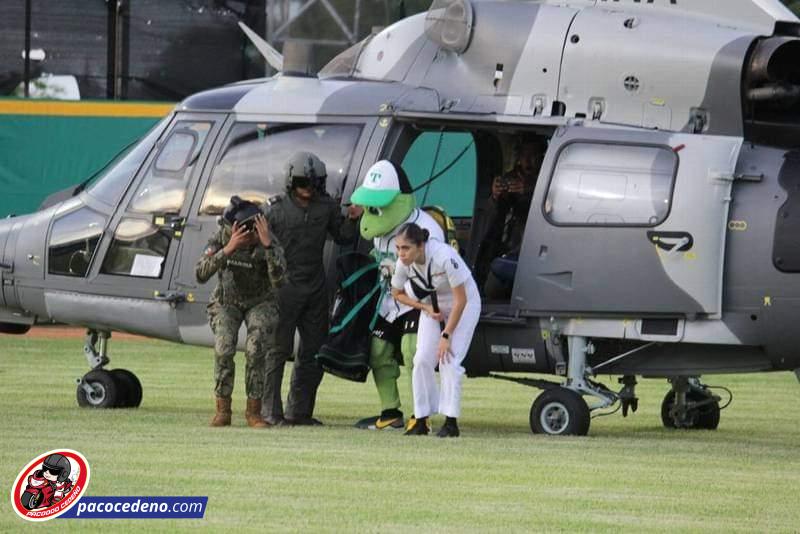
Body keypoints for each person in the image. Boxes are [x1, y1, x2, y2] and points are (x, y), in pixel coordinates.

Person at [262, 151, 363, 426]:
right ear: (291, 182)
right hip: (284, 290)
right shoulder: (274, 210)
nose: (308, 188)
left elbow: (342, 236)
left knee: (313, 351)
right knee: (277, 351)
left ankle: (300, 412)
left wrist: (353, 219)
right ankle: (270, 412)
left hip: (315, 290)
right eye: (302, 182)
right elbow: (259, 247)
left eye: (313, 182)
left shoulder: (326, 207)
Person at [349, 160, 445, 431]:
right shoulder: (377, 226)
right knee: (378, 352)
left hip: (419, 300)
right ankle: (390, 411)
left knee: (413, 351)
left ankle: (421, 414)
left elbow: (437, 272)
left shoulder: (425, 229)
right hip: (389, 300)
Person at [196, 196, 286, 428]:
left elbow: (280, 280)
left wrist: (266, 246)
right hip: (227, 301)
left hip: (260, 301)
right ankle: (222, 409)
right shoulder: (221, 238)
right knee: (224, 348)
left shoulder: (267, 241)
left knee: (256, 349)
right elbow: (201, 273)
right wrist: (229, 249)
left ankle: (253, 411)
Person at [390, 223, 481, 437]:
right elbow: (397, 293)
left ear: (420, 246)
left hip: (464, 304)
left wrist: (446, 335)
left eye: (406, 248)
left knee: (449, 359)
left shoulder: (444, 256)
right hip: (434, 304)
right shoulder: (403, 263)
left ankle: (451, 422)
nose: (401, 254)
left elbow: (461, 299)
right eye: (398, 248)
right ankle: (421, 419)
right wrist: (425, 308)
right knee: (421, 359)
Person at [474, 137, 546, 298]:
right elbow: (489, 220)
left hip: (533, 250)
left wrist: (529, 191)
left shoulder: (547, 179)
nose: (527, 161)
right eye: (524, 155)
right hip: (505, 248)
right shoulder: (511, 177)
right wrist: (496, 196)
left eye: (533, 156)